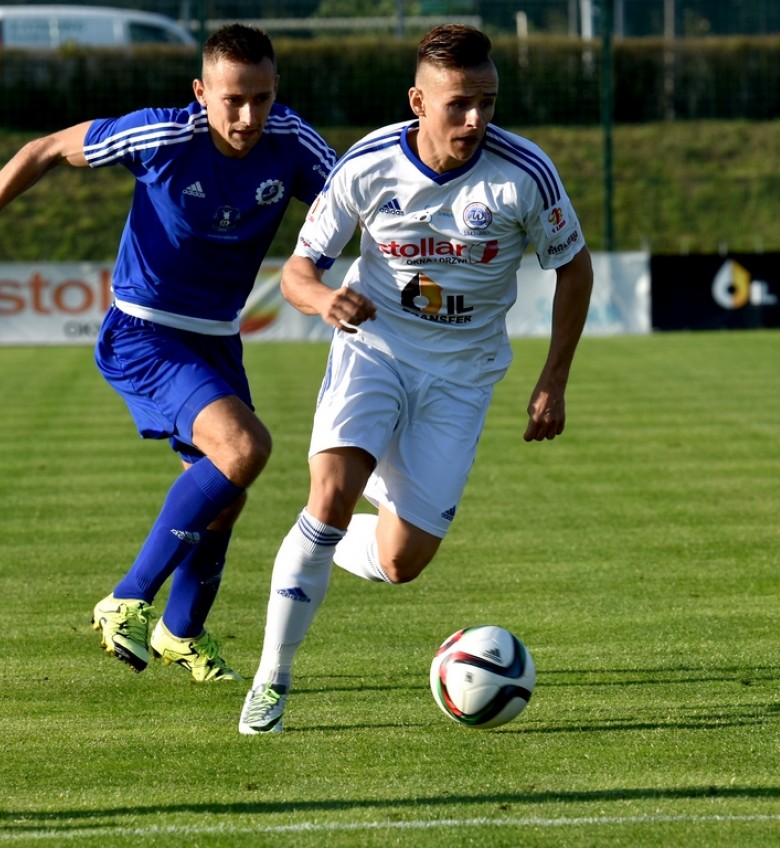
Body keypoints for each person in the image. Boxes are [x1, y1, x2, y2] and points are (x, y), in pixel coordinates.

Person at [0, 24, 336, 681]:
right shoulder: (160, 135)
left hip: (217, 337)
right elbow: (44, 149)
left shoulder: (291, 140)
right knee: (244, 449)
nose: (247, 116)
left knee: (226, 493)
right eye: (232, 100)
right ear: (201, 93)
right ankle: (127, 599)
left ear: (276, 90)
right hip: (144, 332)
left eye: (260, 98)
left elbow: (360, 201)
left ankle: (181, 633)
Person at [238, 23, 594, 734]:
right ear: (418, 101)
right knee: (329, 497)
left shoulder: (524, 174)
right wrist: (324, 300)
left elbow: (574, 268)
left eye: (487, 102)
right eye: (459, 103)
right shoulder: (368, 164)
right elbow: (299, 271)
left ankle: (317, 543)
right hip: (375, 350)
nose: (476, 119)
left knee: (402, 563)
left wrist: (553, 379)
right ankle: (271, 681)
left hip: (462, 377)